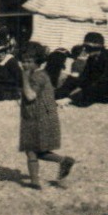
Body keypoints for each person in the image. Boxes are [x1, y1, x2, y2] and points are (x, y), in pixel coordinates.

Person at [17, 42, 75, 189]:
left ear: (37, 61)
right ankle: (60, 163)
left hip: (39, 118)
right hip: (38, 116)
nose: (25, 64)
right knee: (37, 150)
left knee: (31, 149)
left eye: (29, 61)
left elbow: (30, 96)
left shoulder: (37, 77)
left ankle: (36, 181)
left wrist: (24, 77)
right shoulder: (39, 75)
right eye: (23, 61)